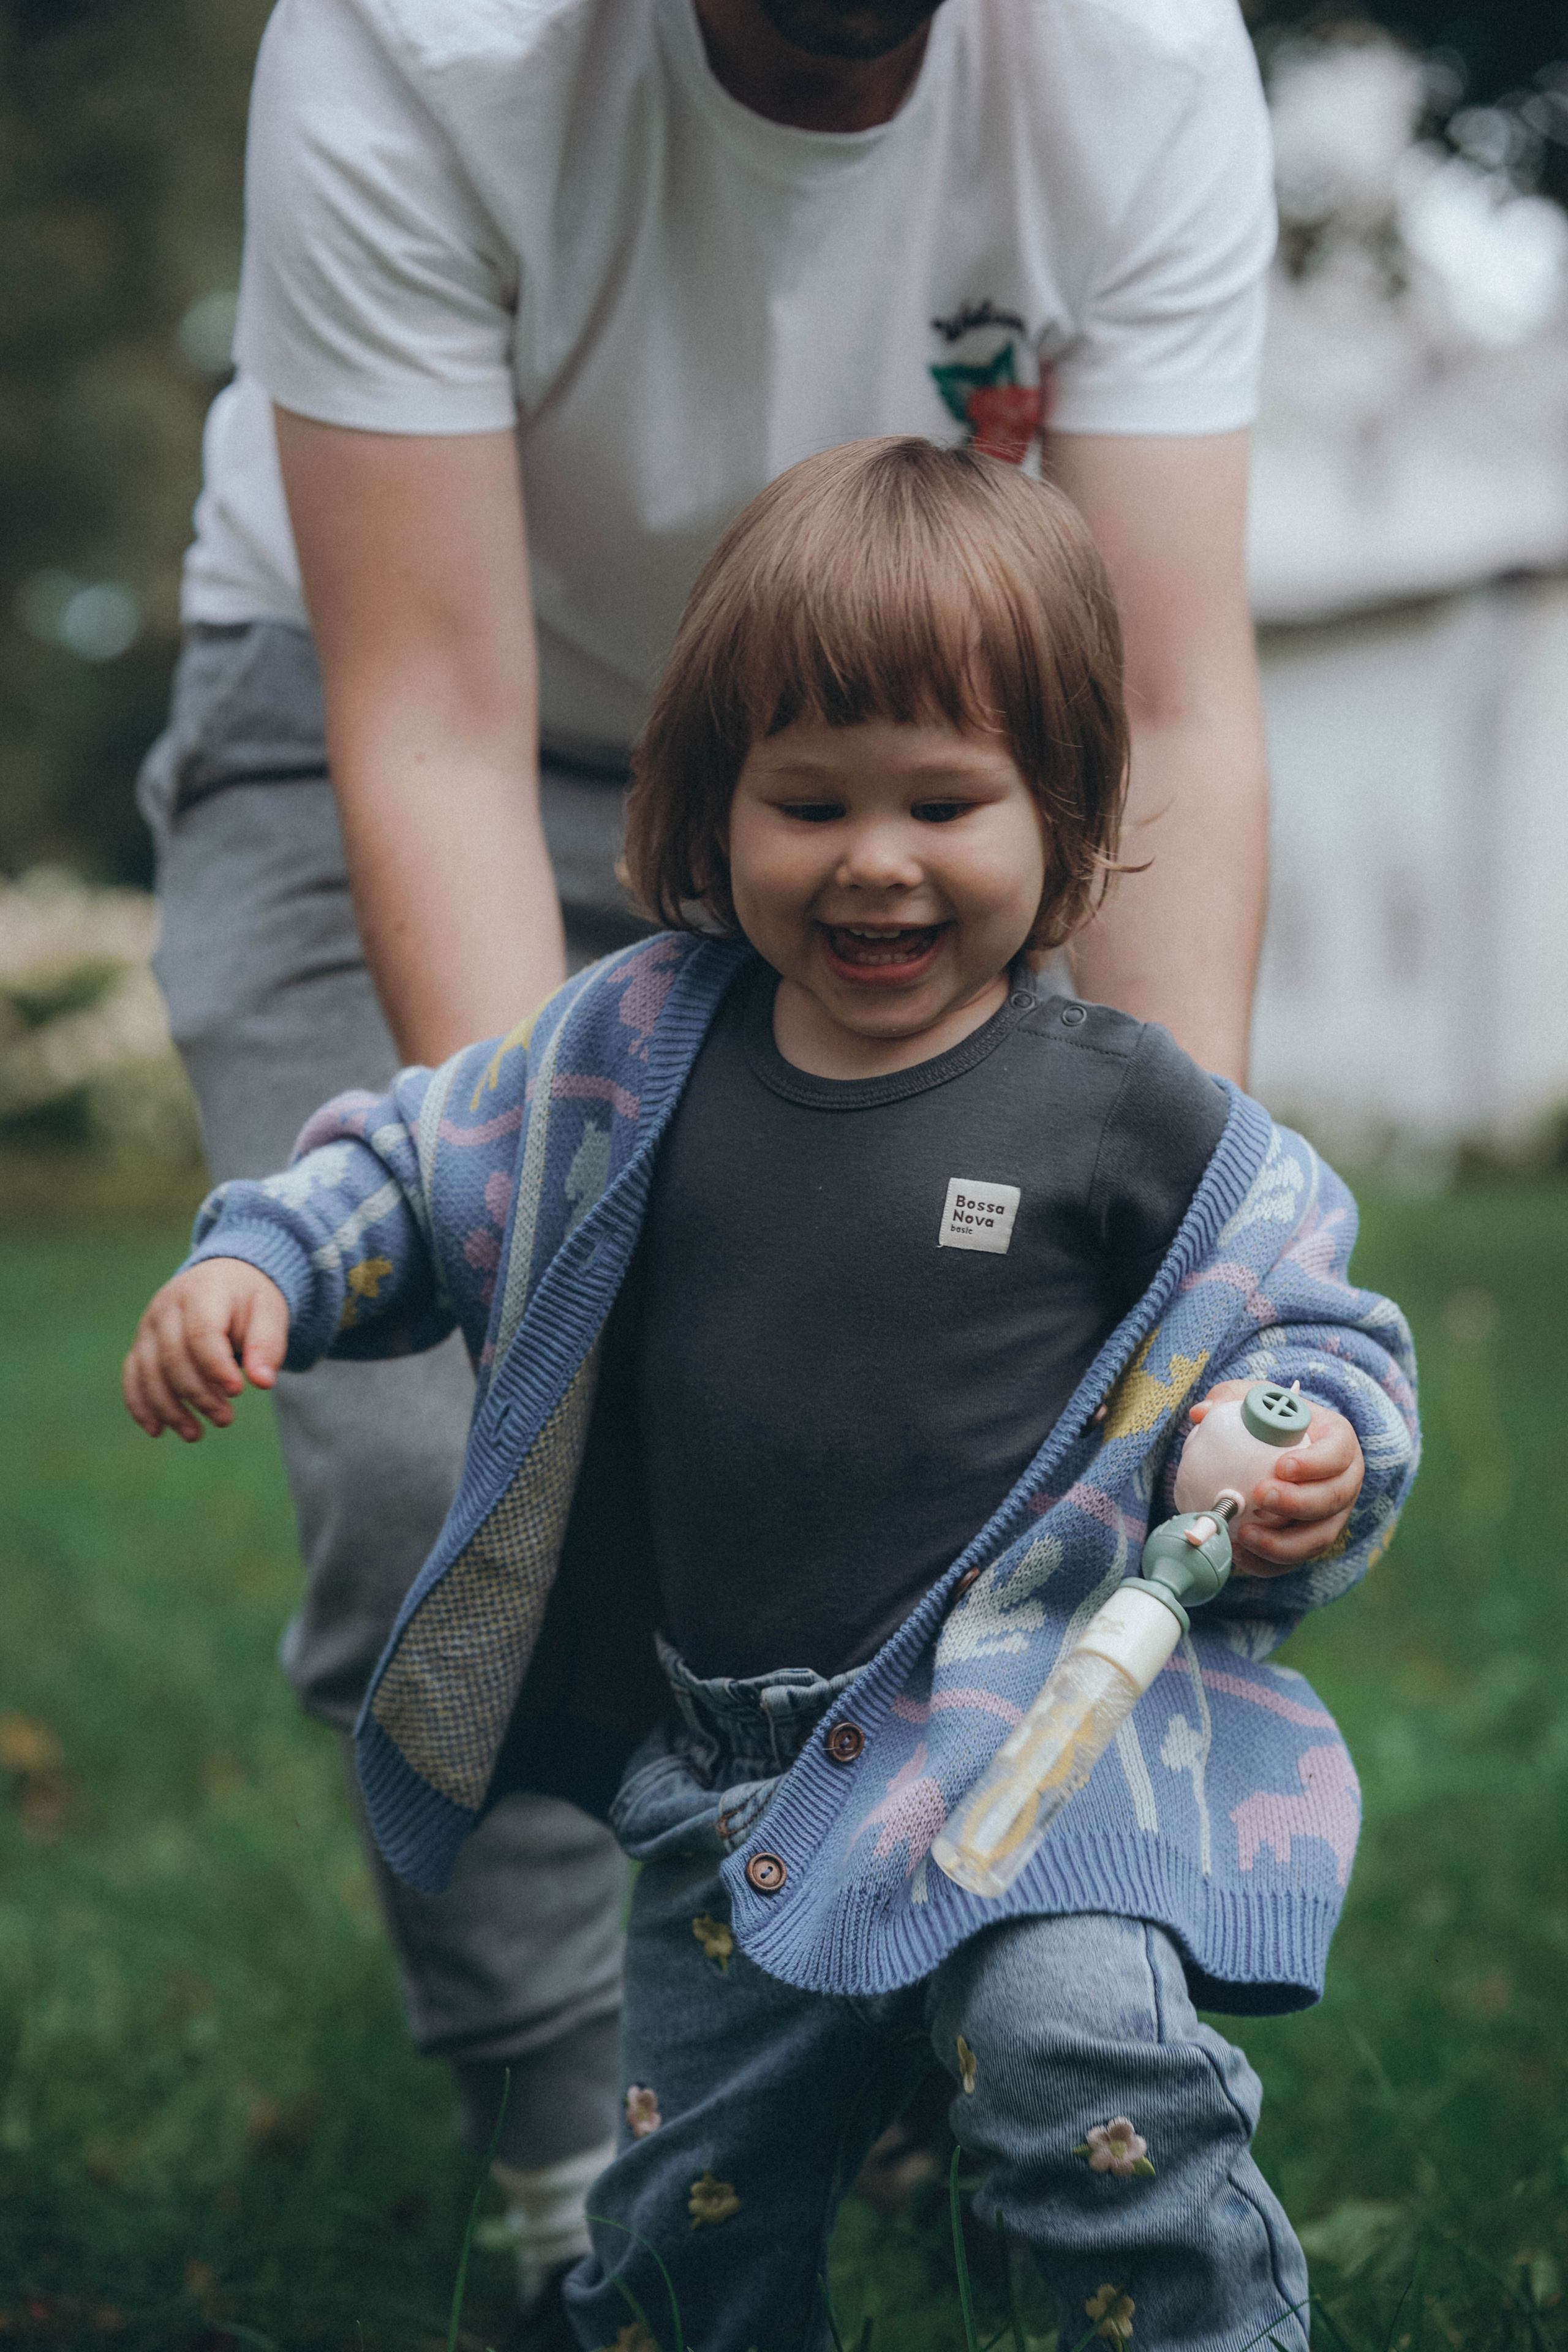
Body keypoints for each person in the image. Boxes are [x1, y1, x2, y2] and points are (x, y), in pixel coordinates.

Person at [140, 0, 1278, 2300]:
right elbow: (435, 715)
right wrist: (572, 1266)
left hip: (924, 747)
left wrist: (1176, 1278)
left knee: (950, 1409)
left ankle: (911, 1971)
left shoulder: (1144, 61)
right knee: (430, 1460)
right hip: (439, 692)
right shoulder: (415, 43)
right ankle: (589, 2138)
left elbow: (1164, 703)